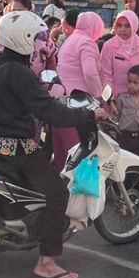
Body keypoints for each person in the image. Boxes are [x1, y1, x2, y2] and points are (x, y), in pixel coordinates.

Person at [0, 10, 107, 278]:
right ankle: (46, 262)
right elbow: (51, 113)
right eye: (36, 37)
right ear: (22, 39)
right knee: (57, 193)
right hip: (15, 146)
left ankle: (20, 223)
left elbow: (22, 101)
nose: (40, 43)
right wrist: (88, 115)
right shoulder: (20, 73)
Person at [53, 12, 104, 171]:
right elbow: (90, 72)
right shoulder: (87, 43)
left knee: (62, 151)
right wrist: (98, 95)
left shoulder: (69, 41)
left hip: (60, 99)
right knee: (76, 151)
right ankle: (74, 191)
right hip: (78, 103)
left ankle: (61, 188)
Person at [100, 10, 139, 109]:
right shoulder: (108, 46)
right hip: (116, 100)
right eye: (119, 25)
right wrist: (109, 99)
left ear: (134, 25)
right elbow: (105, 76)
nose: (122, 29)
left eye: (127, 26)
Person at [113, 65, 139, 159]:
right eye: (129, 81)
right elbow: (115, 118)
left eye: (135, 83)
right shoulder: (121, 99)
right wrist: (114, 136)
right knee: (124, 162)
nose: (131, 85)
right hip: (124, 137)